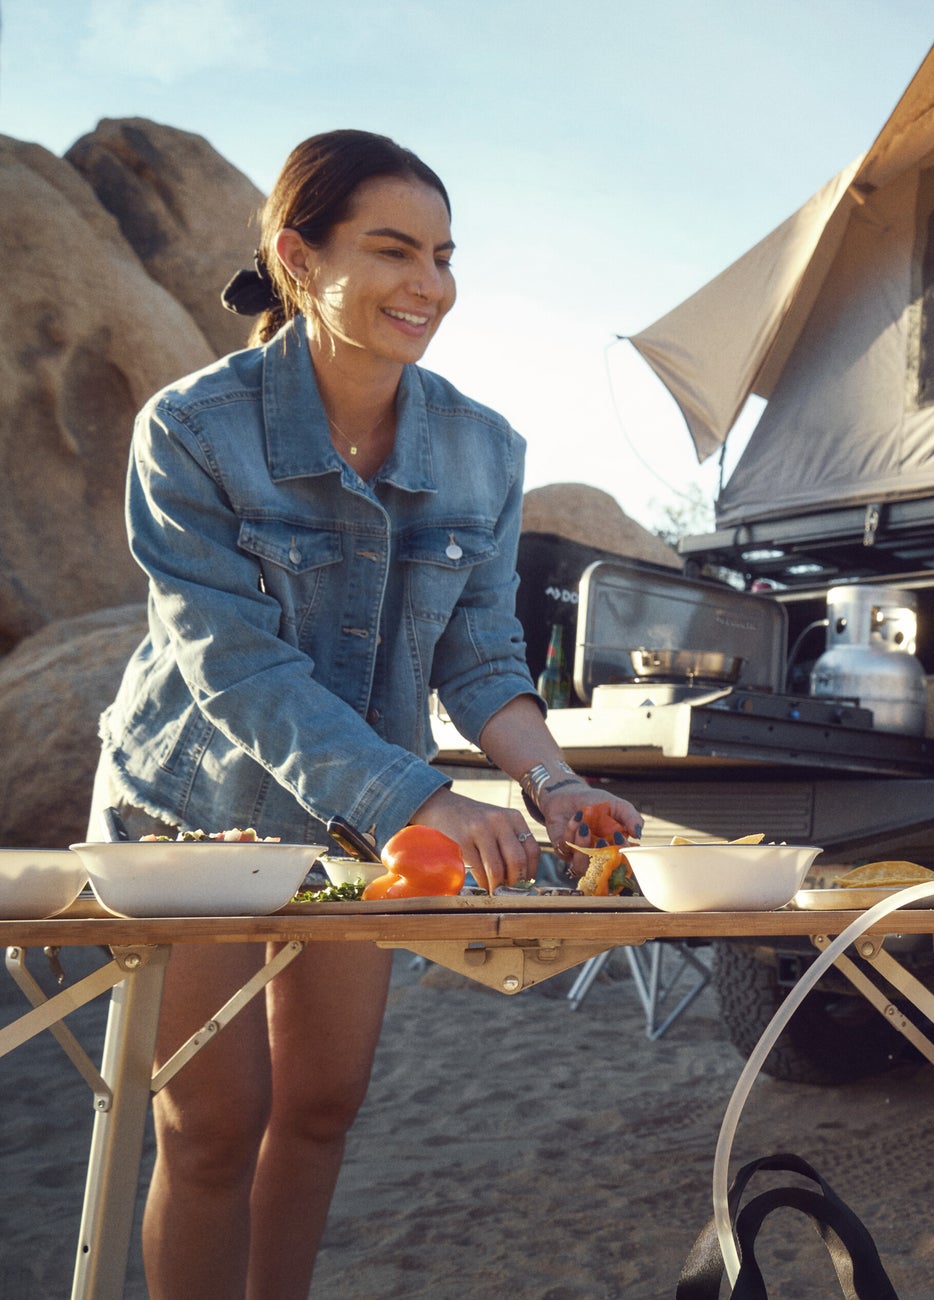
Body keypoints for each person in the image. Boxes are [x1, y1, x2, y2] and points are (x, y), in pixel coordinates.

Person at [89, 129, 642, 1299]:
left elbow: (483, 654)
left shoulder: (484, 450)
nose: (429, 285)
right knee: (209, 1126)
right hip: (199, 819)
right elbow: (231, 664)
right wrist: (423, 797)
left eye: (443, 255)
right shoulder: (191, 429)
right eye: (393, 251)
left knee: (327, 1103)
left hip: (362, 828)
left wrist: (555, 781)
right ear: (298, 256)